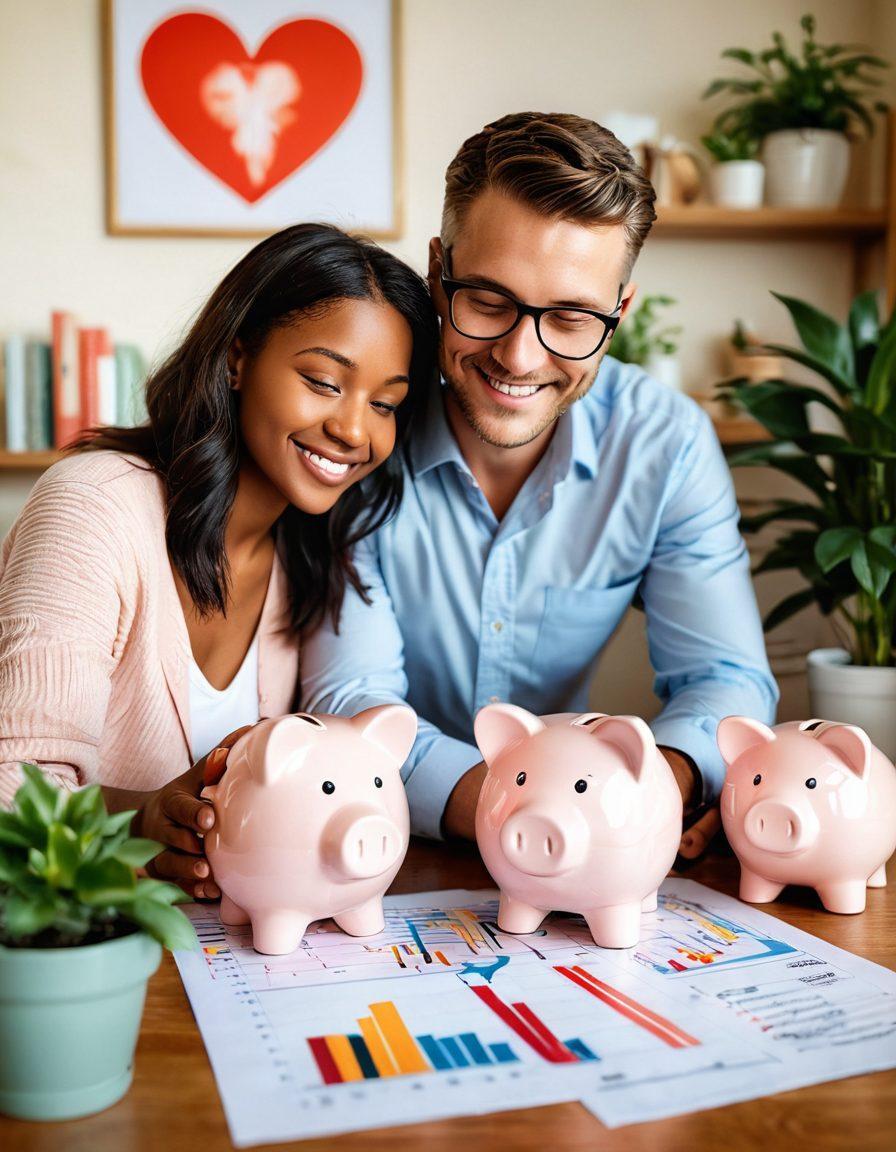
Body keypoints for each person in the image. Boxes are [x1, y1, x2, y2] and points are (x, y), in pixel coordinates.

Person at [301, 113, 778, 858]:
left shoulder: (665, 445)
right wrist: (522, 814)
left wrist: (661, 783)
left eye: (570, 316)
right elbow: (350, 698)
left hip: (598, 837)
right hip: (380, 841)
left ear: (619, 312)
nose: (520, 356)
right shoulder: (357, 438)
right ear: (436, 273)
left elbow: (727, 678)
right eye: (488, 300)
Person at [0, 223, 438, 897]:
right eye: (323, 381)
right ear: (238, 358)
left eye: (385, 404)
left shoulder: (314, 557)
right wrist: (139, 818)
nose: (355, 429)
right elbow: (13, 792)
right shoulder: (94, 505)